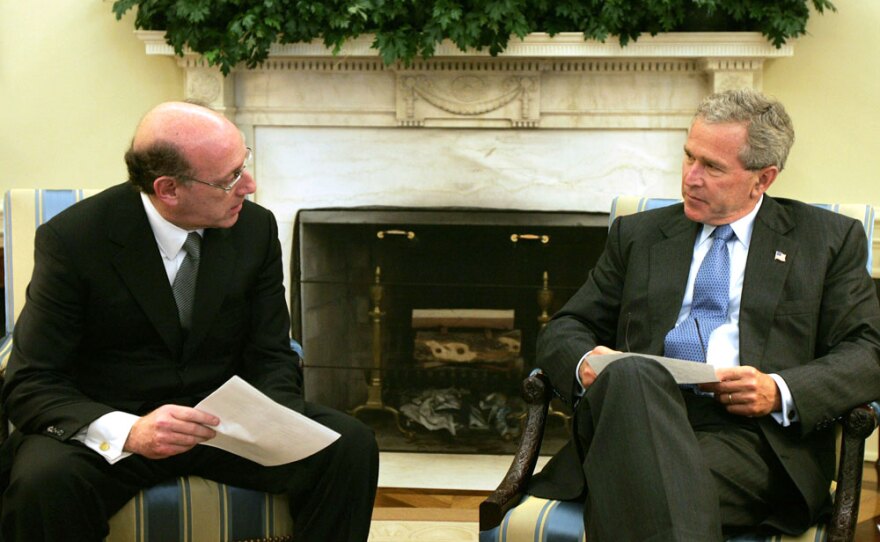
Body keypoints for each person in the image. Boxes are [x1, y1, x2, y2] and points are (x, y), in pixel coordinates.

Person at [0, 101, 379, 541]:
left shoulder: (254, 230)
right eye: (230, 179)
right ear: (169, 189)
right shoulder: (74, 240)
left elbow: (271, 352)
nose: (249, 186)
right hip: (117, 428)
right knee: (40, 483)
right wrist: (131, 431)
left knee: (348, 446)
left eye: (244, 166)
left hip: (223, 430)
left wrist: (270, 418)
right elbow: (32, 381)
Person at [527, 89, 880, 540]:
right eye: (689, 157)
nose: (690, 178)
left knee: (641, 487)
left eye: (712, 167)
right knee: (634, 376)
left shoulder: (826, 241)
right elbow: (564, 328)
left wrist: (779, 389)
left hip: (753, 441)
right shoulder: (638, 236)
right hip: (633, 417)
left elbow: (867, 352)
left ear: (763, 178)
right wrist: (586, 366)